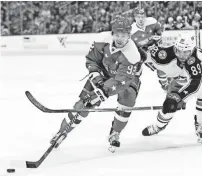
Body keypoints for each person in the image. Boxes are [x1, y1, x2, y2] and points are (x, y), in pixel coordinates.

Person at [50, 16, 141, 152]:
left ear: (129, 35)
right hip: (104, 73)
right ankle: (62, 132)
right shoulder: (101, 40)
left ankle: (115, 132)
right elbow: (92, 61)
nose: (120, 38)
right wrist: (98, 81)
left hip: (127, 79)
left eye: (124, 35)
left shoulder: (132, 54)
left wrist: (103, 91)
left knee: (128, 99)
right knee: (83, 103)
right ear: (112, 34)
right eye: (117, 34)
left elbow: (122, 80)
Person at [141, 33, 202, 144]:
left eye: (186, 52)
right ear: (175, 47)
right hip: (182, 77)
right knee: (169, 105)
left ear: (191, 50)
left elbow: (197, 85)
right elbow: (143, 55)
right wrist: (140, 52)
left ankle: (201, 124)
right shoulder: (167, 52)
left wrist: (180, 97)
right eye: (179, 51)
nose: (181, 55)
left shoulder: (198, 60)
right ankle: (159, 126)